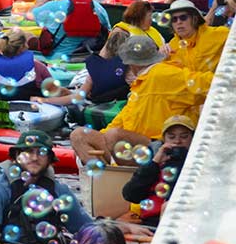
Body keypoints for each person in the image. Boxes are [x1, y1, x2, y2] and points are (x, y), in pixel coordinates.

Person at [69, 37, 212, 165]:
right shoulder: (141, 82)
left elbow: (209, 83)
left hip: (161, 145)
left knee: (114, 135)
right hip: (134, 146)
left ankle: (116, 176)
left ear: (132, 64)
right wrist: (101, 137)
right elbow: (121, 121)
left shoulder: (164, 74)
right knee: (79, 135)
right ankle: (105, 177)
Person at [0, 131, 91, 244]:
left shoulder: (59, 191)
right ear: (17, 156)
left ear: (49, 159)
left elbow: (87, 231)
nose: (35, 158)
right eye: (28, 151)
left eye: (41, 152)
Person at [121, 114, 193, 228]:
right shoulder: (155, 163)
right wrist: (155, 163)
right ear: (164, 140)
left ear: (193, 139)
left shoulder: (197, 163)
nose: (178, 141)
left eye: (184, 136)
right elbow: (130, 195)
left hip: (183, 224)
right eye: (171, 137)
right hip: (151, 224)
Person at [36, 26, 132, 107]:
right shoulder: (131, 68)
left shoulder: (96, 64)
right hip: (114, 104)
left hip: (95, 101)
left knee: (68, 91)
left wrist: (44, 101)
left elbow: (79, 97)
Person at [31, 0, 110, 60]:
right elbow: (107, 32)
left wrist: (39, 2)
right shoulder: (98, 8)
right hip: (88, 58)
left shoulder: (53, 6)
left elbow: (30, 16)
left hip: (58, 60)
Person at [0, 28, 54, 101]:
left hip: (2, 111)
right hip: (36, 109)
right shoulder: (38, 67)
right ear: (23, 46)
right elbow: (53, 92)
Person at [163, 0, 229, 73]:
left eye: (183, 17)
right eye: (174, 19)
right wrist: (162, 57)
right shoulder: (171, 47)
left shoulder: (218, 34)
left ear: (194, 19)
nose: (179, 22)